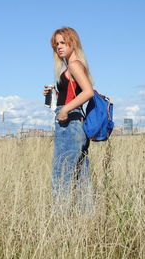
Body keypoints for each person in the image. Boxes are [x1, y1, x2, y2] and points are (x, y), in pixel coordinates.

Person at [44, 27, 94, 211]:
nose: (59, 47)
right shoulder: (73, 65)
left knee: (61, 172)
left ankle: (61, 220)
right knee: (81, 175)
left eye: (63, 42)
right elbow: (76, 93)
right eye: (56, 44)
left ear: (73, 42)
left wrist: (64, 109)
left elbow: (88, 92)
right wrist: (55, 94)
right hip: (75, 122)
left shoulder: (74, 65)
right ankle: (86, 219)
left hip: (70, 123)